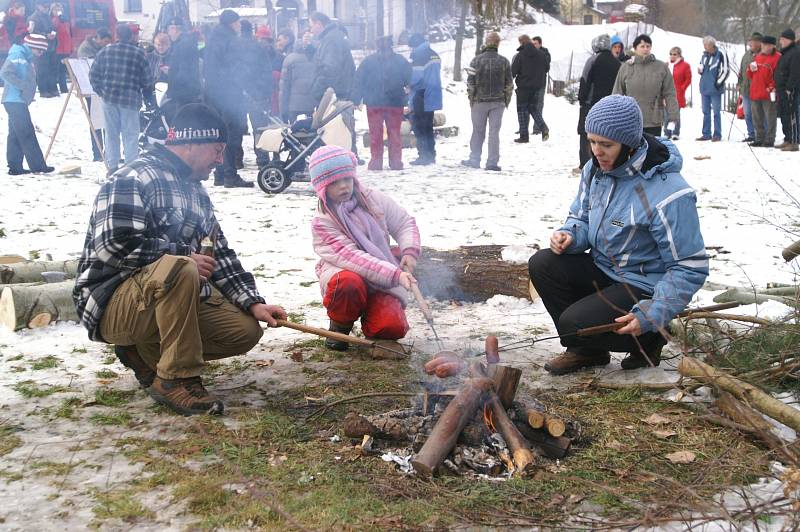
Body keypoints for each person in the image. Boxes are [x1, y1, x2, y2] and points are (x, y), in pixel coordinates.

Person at [72, 103, 287, 416]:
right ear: (190, 144)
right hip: (111, 303)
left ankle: (145, 354)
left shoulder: (196, 192)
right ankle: (176, 379)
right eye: (216, 150)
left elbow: (219, 252)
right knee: (182, 267)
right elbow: (113, 246)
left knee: (244, 331)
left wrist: (253, 302)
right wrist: (183, 255)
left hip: (162, 298)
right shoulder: (132, 178)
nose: (220, 159)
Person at [529, 94, 708, 375]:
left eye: (606, 145)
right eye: (591, 142)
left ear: (629, 144)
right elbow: (582, 217)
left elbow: (689, 267)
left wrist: (653, 313)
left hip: (643, 286)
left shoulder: (669, 192)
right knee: (543, 263)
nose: (596, 151)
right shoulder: (596, 170)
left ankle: (650, 337)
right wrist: (570, 234)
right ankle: (586, 350)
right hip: (606, 269)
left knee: (573, 324)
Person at [309, 145, 420, 350]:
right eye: (335, 182)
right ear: (323, 187)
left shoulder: (373, 199)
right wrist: (395, 275)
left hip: (382, 277)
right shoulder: (322, 222)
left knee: (391, 327)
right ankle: (340, 327)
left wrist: (409, 251)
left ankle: (375, 318)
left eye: (347, 179)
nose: (344, 186)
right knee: (348, 283)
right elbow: (354, 258)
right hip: (347, 274)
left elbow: (404, 222)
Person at [90, 23, 156, 174]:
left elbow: (93, 75)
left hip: (109, 99)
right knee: (131, 134)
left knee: (111, 133)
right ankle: (130, 167)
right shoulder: (139, 53)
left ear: (116, 35)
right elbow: (147, 80)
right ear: (131, 36)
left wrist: (102, 91)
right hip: (130, 100)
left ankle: (112, 167)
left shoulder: (105, 51)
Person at [203, 9, 252, 187]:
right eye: (238, 22)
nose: (239, 25)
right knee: (232, 134)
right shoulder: (231, 41)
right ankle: (230, 175)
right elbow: (235, 68)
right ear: (232, 22)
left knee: (219, 134)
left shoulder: (213, 39)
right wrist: (243, 83)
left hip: (213, 93)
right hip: (229, 93)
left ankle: (220, 173)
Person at [352, 35, 411, 171]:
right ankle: (396, 162)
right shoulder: (400, 61)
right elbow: (409, 78)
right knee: (395, 133)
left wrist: (356, 99)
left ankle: (376, 163)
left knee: (375, 134)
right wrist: (407, 92)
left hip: (374, 103)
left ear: (377, 46)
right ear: (391, 45)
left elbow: (358, 80)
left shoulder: (368, 61)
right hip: (395, 103)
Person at [1, 33, 54, 174]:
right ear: (32, 47)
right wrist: (23, 86)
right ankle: (38, 166)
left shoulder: (24, 56)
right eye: (39, 50)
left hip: (16, 100)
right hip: (14, 99)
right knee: (27, 133)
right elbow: (5, 73)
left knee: (15, 134)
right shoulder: (17, 55)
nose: (41, 54)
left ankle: (15, 167)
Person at [309, 12, 358, 159]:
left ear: (319, 23)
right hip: (339, 91)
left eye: (311, 26)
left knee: (336, 129)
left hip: (333, 94)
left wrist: (318, 89)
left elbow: (330, 68)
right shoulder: (332, 37)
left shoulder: (331, 39)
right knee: (341, 128)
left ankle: (342, 159)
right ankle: (347, 157)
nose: (311, 30)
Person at [462, 32, 513, 172]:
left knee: (478, 131)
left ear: (486, 42)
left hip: (479, 102)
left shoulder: (476, 60)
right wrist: (505, 100)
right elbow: (509, 84)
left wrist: (471, 99)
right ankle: (492, 162)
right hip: (498, 102)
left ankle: (474, 159)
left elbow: (470, 83)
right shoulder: (504, 61)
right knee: (494, 133)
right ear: (498, 44)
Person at [613, 34, 678, 137]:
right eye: (642, 46)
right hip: (632, 119)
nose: (645, 49)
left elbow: (670, 93)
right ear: (635, 48)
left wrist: (673, 115)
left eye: (648, 46)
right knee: (634, 150)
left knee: (653, 150)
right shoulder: (626, 68)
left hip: (654, 119)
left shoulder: (661, 67)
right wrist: (615, 117)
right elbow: (617, 94)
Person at [576, 34, 620, 171]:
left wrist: (581, 99)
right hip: (610, 104)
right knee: (606, 135)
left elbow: (585, 80)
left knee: (586, 134)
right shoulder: (617, 63)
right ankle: (605, 163)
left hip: (591, 104)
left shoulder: (593, 60)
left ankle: (585, 163)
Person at [240, 20, 273, 167]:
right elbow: (266, 72)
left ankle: (235, 160)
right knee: (259, 128)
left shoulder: (234, 46)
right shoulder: (258, 48)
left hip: (239, 93)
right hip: (257, 94)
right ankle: (262, 159)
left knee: (236, 128)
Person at [407, 33, 442, 165]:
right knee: (428, 126)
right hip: (433, 93)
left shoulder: (419, 56)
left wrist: (408, 84)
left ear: (415, 45)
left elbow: (416, 77)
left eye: (411, 47)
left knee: (419, 126)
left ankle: (423, 156)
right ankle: (431, 154)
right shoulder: (434, 54)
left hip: (421, 94)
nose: (411, 50)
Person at [77, 29, 111, 162]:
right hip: (91, 88)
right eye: (105, 41)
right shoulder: (86, 49)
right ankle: (97, 151)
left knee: (106, 120)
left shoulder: (100, 48)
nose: (107, 44)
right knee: (96, 120)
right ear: (98, 39)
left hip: (104, 88)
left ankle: (107, 151)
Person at [511, 34, 550, 143]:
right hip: (537, 86)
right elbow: (547, 68)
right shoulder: (541, 54)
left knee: (521, 110)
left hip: (523, 87)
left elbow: (513, 71)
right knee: (533, 108)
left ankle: (524, 136)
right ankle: (543, 127)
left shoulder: (520, 55)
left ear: (521, 43)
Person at [747, 35, 781, 148]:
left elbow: (778, 75)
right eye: (763, 45)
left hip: (768, 93)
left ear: (773, 46)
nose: (765, 47)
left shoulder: (778, 57)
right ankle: (759, 138)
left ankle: (770, 139)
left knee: (770, 117)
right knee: (757, 118)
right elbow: (750, 75)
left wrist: (772, 86)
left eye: (767, 45)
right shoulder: (758, 56)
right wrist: (750, 69)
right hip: (755, 91)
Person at [696, 36, 730, 141]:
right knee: (705, 112)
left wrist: (718, 83)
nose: (704, 47)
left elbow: (725, 70)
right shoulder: (704, 55)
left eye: (706, 45)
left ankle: (717, 134)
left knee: (716, 112)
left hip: (715, 89)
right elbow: (701, 67)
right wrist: (700, 71)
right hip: (704, 88)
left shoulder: (720, 54)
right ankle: (706, 133)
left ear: (711, 45)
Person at [164, 18, 202, 107]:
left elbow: (184, 71)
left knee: (184, 118)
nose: (168, 33)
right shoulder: (181, 43)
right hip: (186, 90)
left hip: (184, 91)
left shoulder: (183, 44)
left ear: (174, 29)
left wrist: (170, 72)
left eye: (169, 29)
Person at [279, 31, 315, 123]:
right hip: (311, 106)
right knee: (310, 134)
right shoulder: (315, 58)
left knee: (294, 134)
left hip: (293, 107)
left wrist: (283, 110)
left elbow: (284, 87)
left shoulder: (289, 59)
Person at [775, 28, 800, 152]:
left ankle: (794, 141)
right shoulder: (785, 52)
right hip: (782, 90)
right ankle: (787, 139)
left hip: (790, 90)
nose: (780, 41)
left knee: (792, 115)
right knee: (784, 115)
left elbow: (795, 73)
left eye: (783, 39)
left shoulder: (795, 52)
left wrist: (789, 88)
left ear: (789, 40)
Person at [27, 0, 58, 97]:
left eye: (47, 6)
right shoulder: (33, 18)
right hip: (39, 47)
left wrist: (53, 33)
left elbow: (52, 28)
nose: (46, 8)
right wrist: (46, 35)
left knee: (51, 69)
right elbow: (31, 33)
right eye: (44, 6)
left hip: (50, 46)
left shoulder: (47, 17)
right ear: (38, 6)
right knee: (42, 69)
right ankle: (43, 90)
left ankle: (53, 89)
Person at [738, 33, 763, 142]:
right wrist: (739, 83)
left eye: (752, 41)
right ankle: (751, 134)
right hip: (746, 90)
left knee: (758, 114)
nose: (750, 43)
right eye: (750, 41)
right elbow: (741, 70)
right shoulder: (746, 55)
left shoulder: (763, 54)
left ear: (758, 43)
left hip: (757, 90)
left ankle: (761, 134)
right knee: (747, 113)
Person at [665, 46, 691, 140]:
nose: (672, 56)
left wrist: (682, 88)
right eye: (671, 54)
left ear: (679, 55)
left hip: (678, 93)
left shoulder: (685, 65)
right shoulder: (667, 65)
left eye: (675, 54)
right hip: (667, 93)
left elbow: (688, 79)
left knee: (675, 113)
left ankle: (675, 132)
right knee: (666, 113)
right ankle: (667, 132)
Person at [530, 36, 551, 135]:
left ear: (540, 44)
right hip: (530, 82)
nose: (533, 46)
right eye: (532, 44)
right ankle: (523, 127)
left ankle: (537, 128)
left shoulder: (545, 53)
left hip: (540, 83)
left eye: (535, 44)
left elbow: (546, 67)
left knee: (538, 105)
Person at [51, 2, 71, 94]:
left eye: (59, 9)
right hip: (58, 48)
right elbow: (54, 30)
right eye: (56, 9)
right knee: (58, 70)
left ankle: (63, 88)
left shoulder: (64, 20)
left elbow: (68, 34)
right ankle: (59, 88)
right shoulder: (54, 20)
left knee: (63, 69)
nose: (58, 11)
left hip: (65, 48)